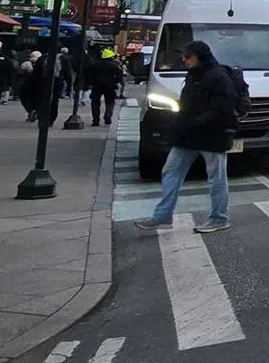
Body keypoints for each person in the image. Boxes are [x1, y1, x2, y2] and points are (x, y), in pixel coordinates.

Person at [137, 41, 241, 233]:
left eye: (188, 57)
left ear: (200, 57)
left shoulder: (217, 77)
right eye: (184, 56)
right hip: (189, 135)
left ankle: (219, 218)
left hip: (211, 135)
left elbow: (221, 110)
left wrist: (192, 123)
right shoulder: (196, 74)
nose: (184, 60)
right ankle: (163, 216)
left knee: (216, 178)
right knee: (171, 171)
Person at [85, 48, 122, 127]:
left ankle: (95, 120)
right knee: (110, 102)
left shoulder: (95, 64)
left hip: (96, 85)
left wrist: (90, 82)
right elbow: (119, 76)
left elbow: (89, 74)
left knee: (95, 102)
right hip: (110, 85)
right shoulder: (114, 65)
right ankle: (107, 117)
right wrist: (115, 82)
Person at [19, 50, 49, 123]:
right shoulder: (44, 65)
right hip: (38, 86)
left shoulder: (26, 64)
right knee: (37, 101)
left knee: (26, 100)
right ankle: (35, 112)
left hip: (27, 85)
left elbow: (20, 74)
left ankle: (31, 111)